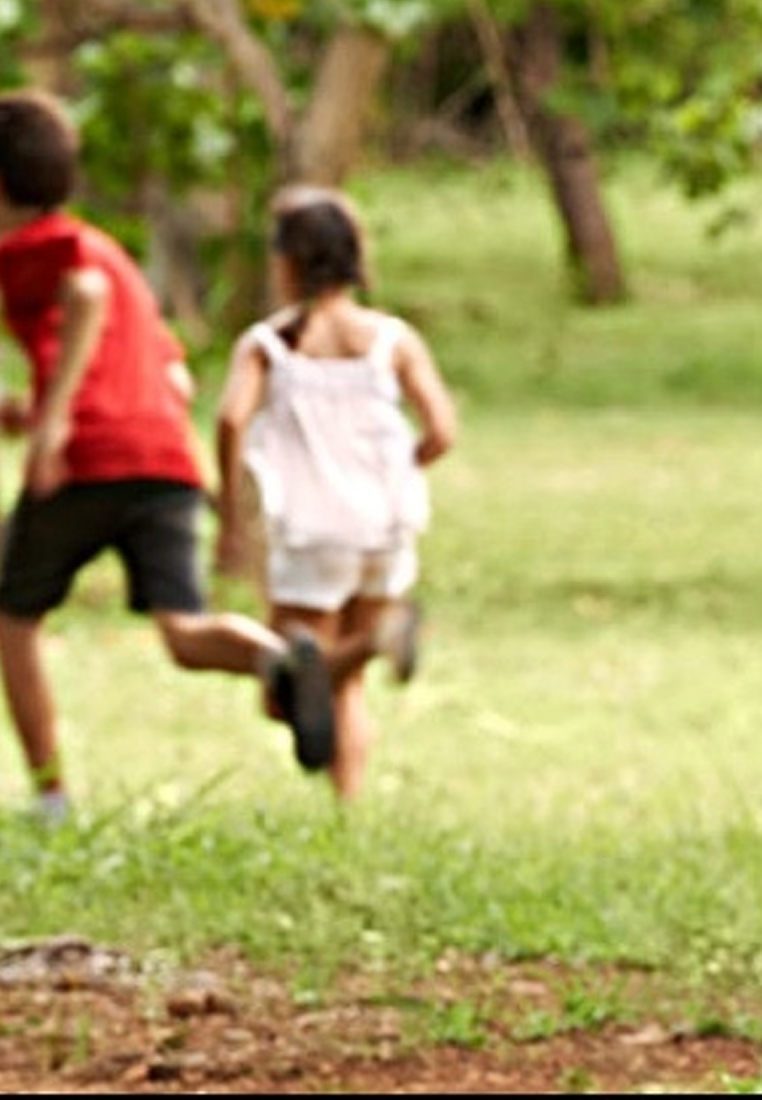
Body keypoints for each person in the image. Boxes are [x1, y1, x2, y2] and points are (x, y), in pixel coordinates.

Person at [0, 89, 338, 826]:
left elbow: (80, 299)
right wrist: (36, 407)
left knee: (10, 619)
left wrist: (54, 423)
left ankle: (52, 797)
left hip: (87, 459)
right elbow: (172, 375)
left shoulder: (37, 247)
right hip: (163, 459)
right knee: (183, 633)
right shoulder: (111, 255)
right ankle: (277, 658)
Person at [213, 184, 457, 802]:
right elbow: (442, 430)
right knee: (339, 685)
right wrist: (404, 465)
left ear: (286, 261)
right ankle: (345, 809)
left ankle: (374, 646)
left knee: (284, 690)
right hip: (386, 524)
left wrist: (231, 513)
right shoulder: (391, 340)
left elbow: (228, 419)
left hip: (311, 529)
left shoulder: (269, 345)